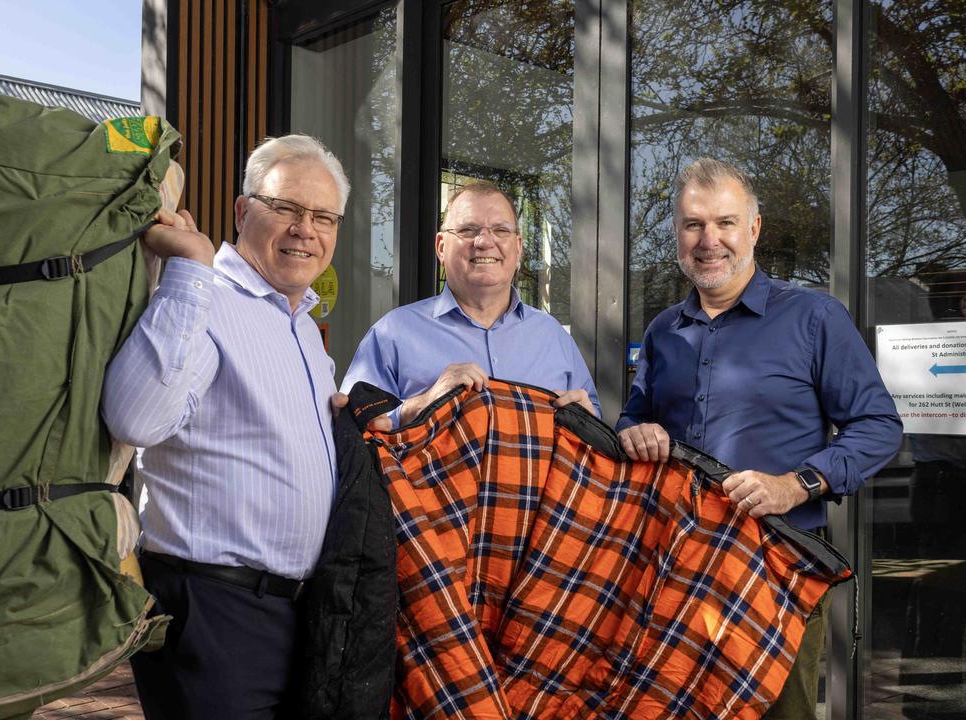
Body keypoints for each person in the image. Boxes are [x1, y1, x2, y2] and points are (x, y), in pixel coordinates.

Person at [615, 158, 902, 720]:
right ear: (677, 232)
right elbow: (633, 419)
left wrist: (798, 484)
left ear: (754, 229)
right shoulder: (663, 331)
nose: (709, 240)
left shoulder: (814, 318)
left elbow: (879, 426)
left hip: (777, 574)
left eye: (725, 222)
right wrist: (634, 431)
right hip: (676, 575)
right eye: (693, 224)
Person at [101, 134, 349, 719]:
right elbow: (135, 418)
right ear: (243, 211)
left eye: (322, 216)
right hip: (212, 609)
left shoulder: (303, 328)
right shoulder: (200, 294)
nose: (304, 229)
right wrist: (190, 266)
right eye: (286, 208)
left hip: (295, 613)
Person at [342, 181, 599, 422]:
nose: (485, 242)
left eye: (501, 230)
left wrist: (588, 422)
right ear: (441, 247)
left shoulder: (553, 337)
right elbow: (354, 430)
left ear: (518, 247)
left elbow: (595, 427)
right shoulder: (392, 335)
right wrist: (424, 404)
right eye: (468, 230)